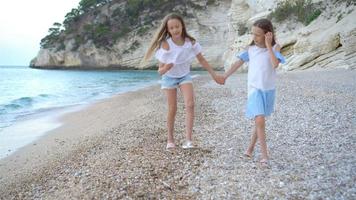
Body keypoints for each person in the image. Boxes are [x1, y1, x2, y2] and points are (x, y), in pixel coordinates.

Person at [143, 13, 224, 150]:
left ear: (182, 26)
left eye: (177, 26)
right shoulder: (166, 45)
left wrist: (214, 75)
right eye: (172, 28)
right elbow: (160, 71)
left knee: (190, 104)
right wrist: (167, 67)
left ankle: (188, 140)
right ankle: (170, 139)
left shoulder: (190, 43)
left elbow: (202, 60)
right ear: (168, 30)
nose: (175, 30)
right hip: (169, 77)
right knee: (172, 108)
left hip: (185, 76)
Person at [223, 18, 285, 164]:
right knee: (259, 119)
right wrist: (224, 76)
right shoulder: (250, 50)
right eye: (253, 34)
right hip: (254, 90)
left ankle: (250, 149)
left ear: (267, 34)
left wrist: (269, 46)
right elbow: (237, 64)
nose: (254, 38)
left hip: (268, 90)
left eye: (257, 35)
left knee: (259, 122)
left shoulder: (276, 48)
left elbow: (275, 64)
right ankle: (264, 156)